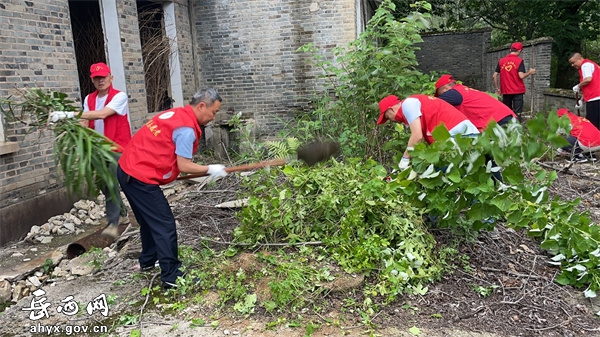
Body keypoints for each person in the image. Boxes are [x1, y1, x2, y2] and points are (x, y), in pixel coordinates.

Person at [117, 87, 228, 289]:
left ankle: (149, 261)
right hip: (140, 177)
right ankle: (171, 276)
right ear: (202, 106)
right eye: (214, 112)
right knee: (165, 224)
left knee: (149, 221)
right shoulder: (186, 129)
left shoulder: (178, 114)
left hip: (127, 169)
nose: (214, 117)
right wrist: (211, 169)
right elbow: (184, 166)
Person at [78, 62, 132, 237]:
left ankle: (113, 222)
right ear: (92, 80)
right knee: (104, 183)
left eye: (103, 77)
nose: (101, 81)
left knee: (112, 181)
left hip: (117, 147)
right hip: (98, 149)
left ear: (111, 77)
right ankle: (121, 213)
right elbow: (86, 121)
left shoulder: (119, 96)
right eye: (97, 78)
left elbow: (102, 114)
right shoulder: (89, 99)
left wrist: (69, 114)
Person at [377, 94, 479, 169]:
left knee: (443, 171)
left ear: (391, 110)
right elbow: (420, 142)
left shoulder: (408, 104)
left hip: (458, 135)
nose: (392, 121)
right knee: (467, 175)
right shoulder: (417, 104)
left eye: (388, 117)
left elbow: (417, 136)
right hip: (465, 134)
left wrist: (405, 159)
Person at [435, 74, 517, 131]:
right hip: (507, 117)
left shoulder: (452, 93)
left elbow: (432, 104)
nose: (441, 96)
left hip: (499, 121)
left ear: (445, 88)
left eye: (440, 94)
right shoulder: (463, 90)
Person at [493, 42, 536, 121]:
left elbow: (494, 75)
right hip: (517, 91)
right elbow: (521, 76)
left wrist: (497, 89)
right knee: (517, 113)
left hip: (506, 91)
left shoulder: (501, 61)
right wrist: (530, 72)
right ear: (519, 51)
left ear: (510, 49)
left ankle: (507, 128)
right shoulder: (519, 61)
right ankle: (517, 128)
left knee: (507, 112)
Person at [569, 53, 600, 130]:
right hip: (595, 98)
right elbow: (590, 86)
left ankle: (594, 141)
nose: (572, 65)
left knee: (593, 126)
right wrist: (582, 100)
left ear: (579, 59)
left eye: (573, 62)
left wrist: (578, 86)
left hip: (595, 100)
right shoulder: (591, 65)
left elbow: (588, 79)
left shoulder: (585, 65)